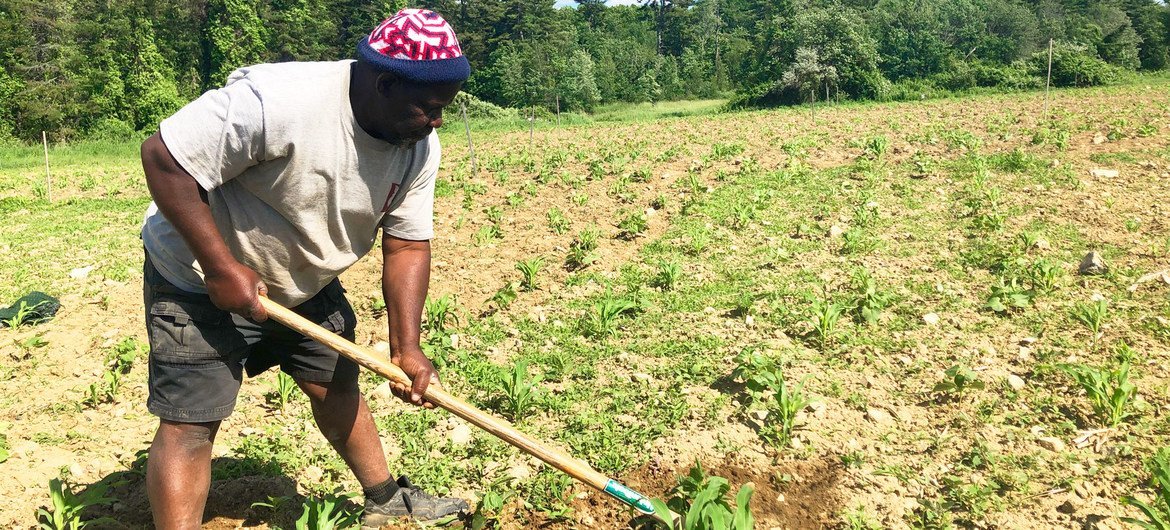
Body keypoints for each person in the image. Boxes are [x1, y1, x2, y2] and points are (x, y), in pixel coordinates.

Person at [138, 8, 470, 529]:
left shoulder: (417, 147)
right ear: (383, 84)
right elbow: (164, 158)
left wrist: (407, 347)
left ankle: (384, 498)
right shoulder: (278, 102)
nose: (437, 122)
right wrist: (220, 267)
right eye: (428, 108)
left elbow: (407, 245)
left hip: (302, 277)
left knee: (335, 382)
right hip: (197, 277)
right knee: (191, 424)